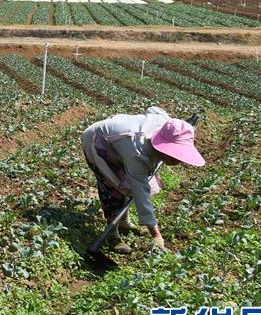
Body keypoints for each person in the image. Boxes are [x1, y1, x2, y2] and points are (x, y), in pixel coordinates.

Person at [81, 107, 205, 253]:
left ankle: (124, 223)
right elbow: (140, 194)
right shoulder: (137, 154)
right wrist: (156, 235)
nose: (178, 159)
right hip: (98, 141)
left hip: (121, 142)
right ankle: (112, 235)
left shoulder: (166, 125)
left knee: (127, 184)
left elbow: (153, 110)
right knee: (114, 188)